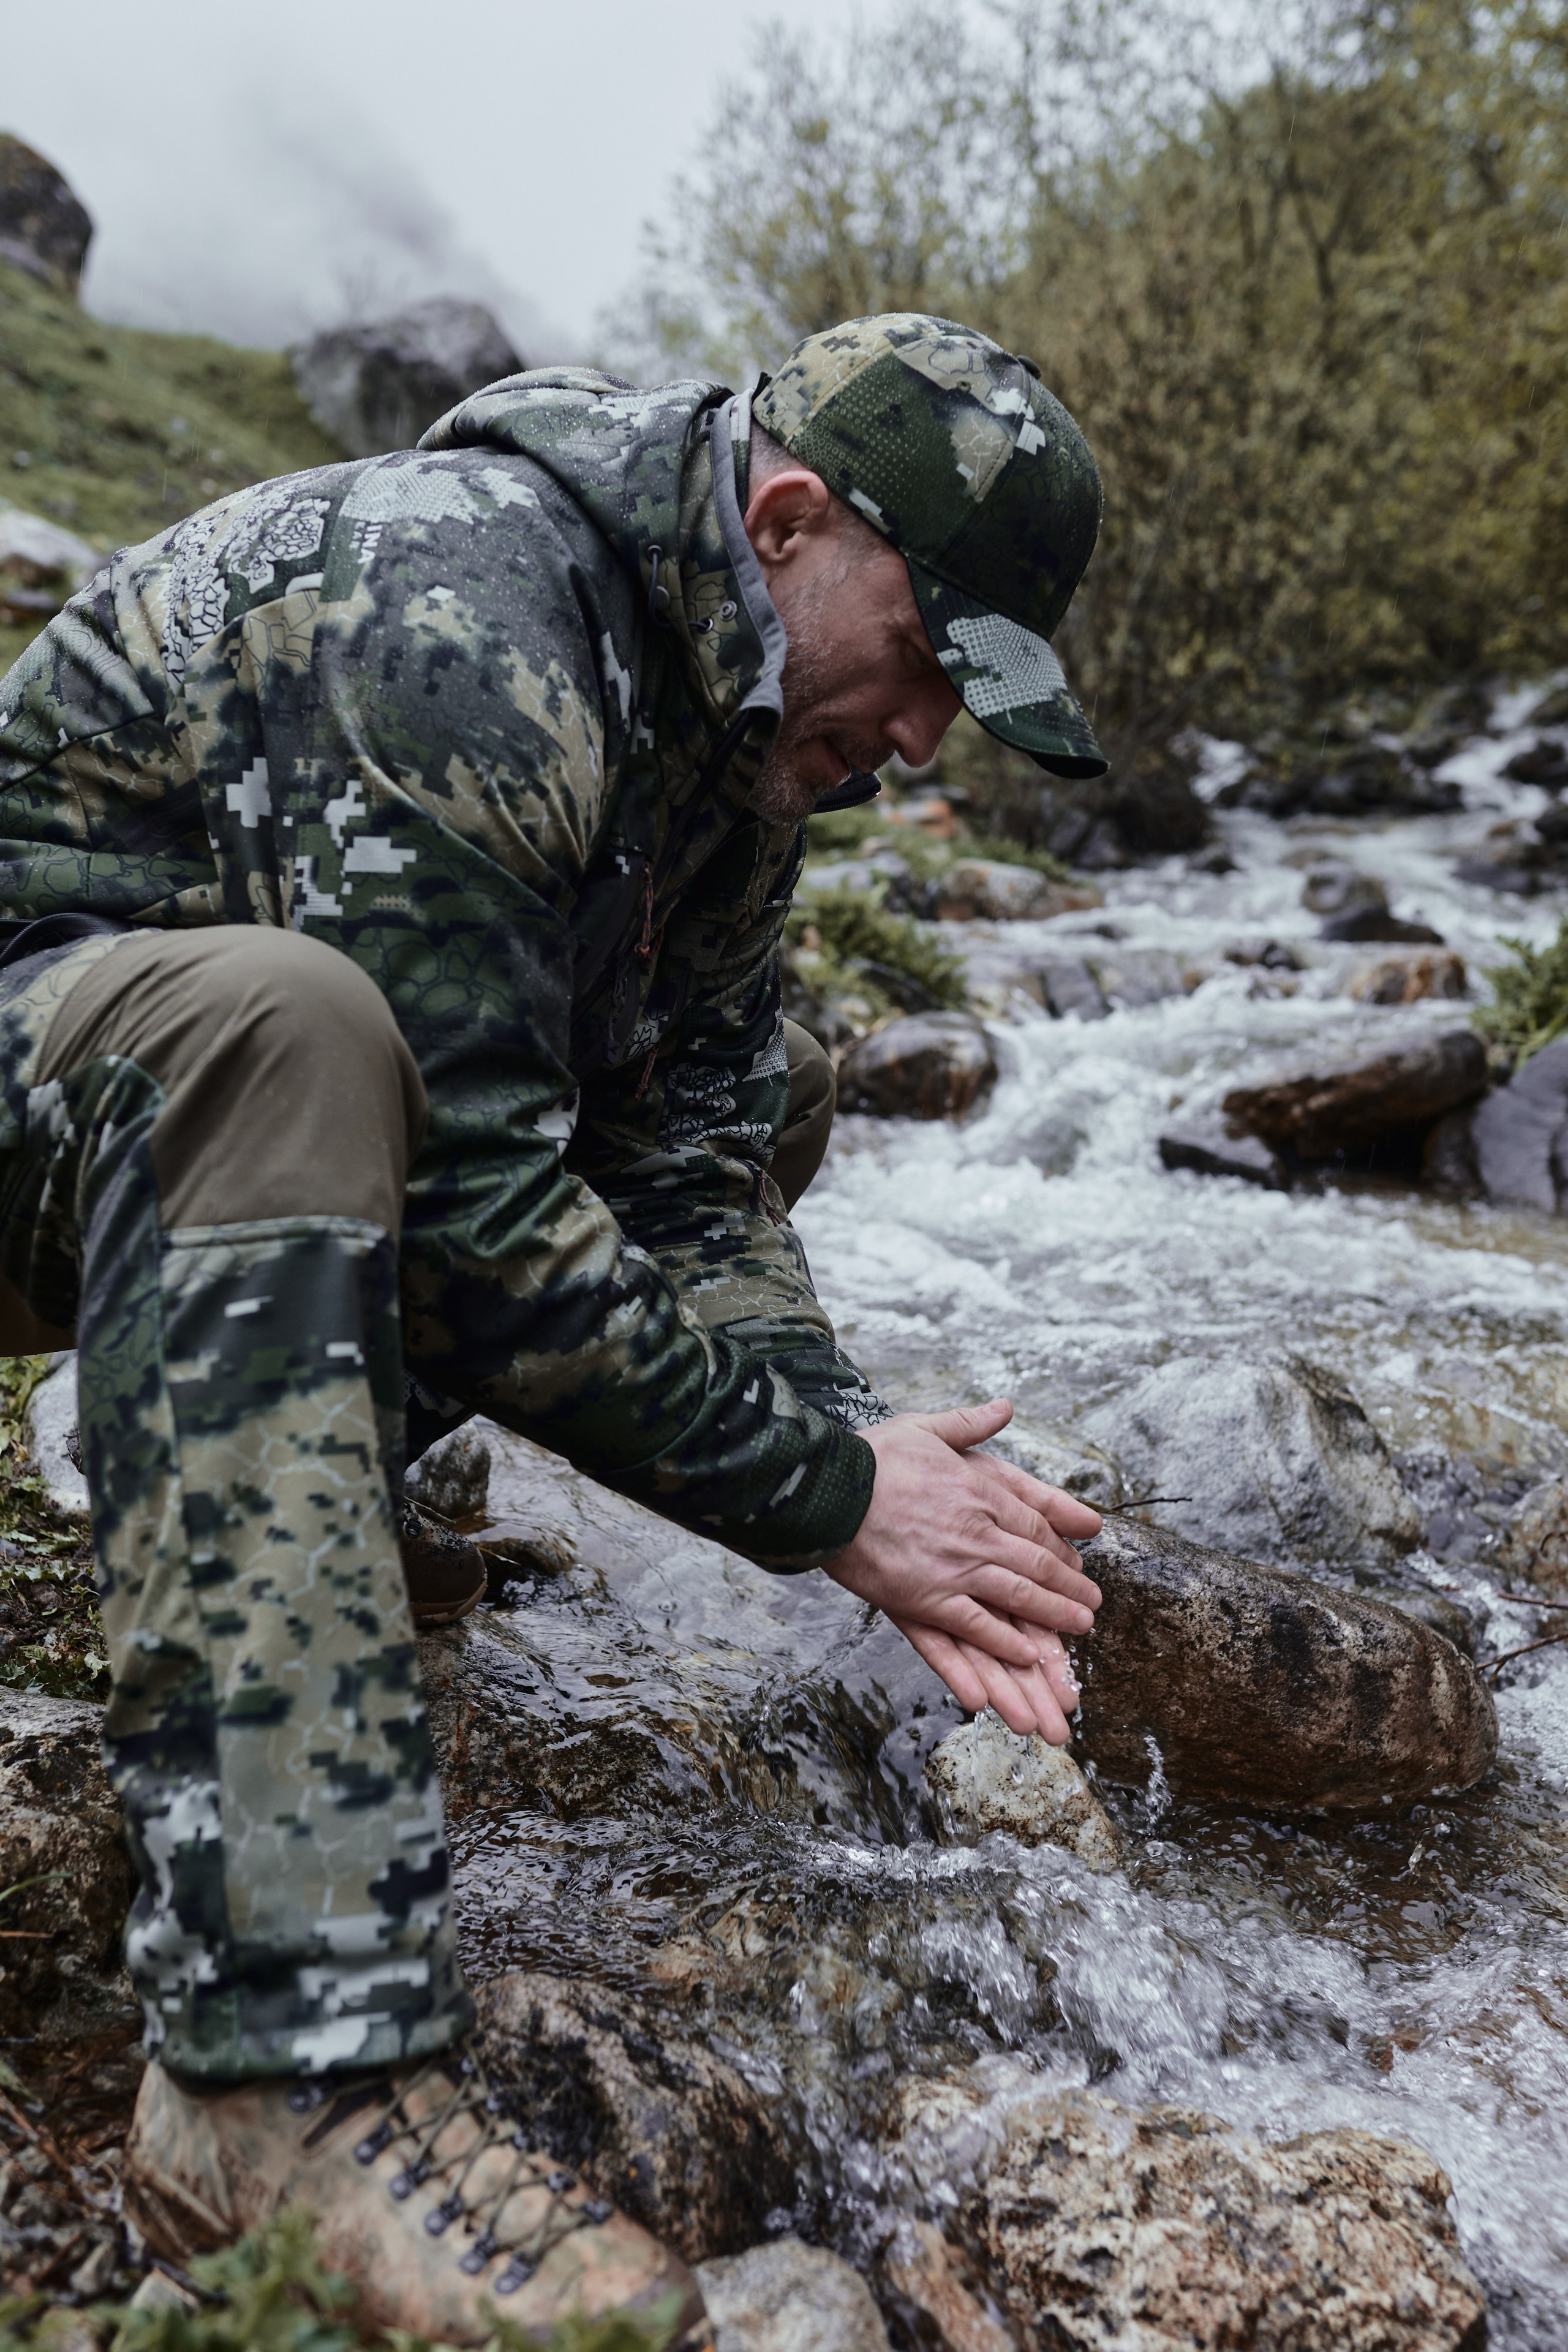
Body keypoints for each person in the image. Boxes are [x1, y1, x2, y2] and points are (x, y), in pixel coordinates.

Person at [0, 312, 1107, 2343]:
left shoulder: (742, 728)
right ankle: (274, 2080)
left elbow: (688, 1157)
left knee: (765, 1086)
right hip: (51, 1073)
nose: (933, 742)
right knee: (288, 1031)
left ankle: (309, 1480)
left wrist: (865, 1465)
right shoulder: (463, 613)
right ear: (788, 525)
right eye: (934, 665)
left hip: (174, 1122)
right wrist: (827, 1499)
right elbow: (477, 1222)